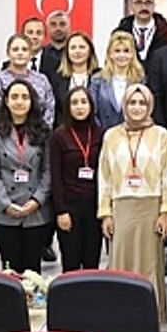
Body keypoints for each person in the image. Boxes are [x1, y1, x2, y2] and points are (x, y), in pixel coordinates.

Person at [98, 84, 167, 323]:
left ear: (150, 106)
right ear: (124, 106)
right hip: (121, 208)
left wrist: (166, 212)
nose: (137, 107)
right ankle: (121, 319)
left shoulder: (161, 134)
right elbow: (104, 177)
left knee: (149, 265)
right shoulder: (111, 136)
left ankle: (149, 321)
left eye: (142, 103)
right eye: (132, 102)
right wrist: (106, 212)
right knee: (121, 264)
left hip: (150, 207)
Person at [0, 79, 53, 273]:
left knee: (33, 271)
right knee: (10, 270)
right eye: (14, 97)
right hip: (4, 212)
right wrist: (5, 204)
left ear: (32, 101)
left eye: (24, 97)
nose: (19, 102)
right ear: (6, 101)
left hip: (36, 213)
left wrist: (36, 200)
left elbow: (48, 170)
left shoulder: (44, 131)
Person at [49, 86, 104, 271]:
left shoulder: (100, 133)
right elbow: (55, 176)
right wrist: (61, 210)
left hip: (94, 207)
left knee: (92, 262)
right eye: (74, 103)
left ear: (91, 105)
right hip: (69, 207)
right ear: (67, 107)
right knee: (71, 263)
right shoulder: (59, 136)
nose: (79, 107)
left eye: (83, 102)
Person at [0, 34, 57, 129]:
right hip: (7, 132)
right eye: (15, 49)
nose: (20, 53)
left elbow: (49, 108)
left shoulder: (42, 79)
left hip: (38, 132)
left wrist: (42, 131)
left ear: (31, 54)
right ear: (8, 53)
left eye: (24, 49)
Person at [91, 31, 146, 130]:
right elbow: (92, 112)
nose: (122, 55)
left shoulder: (140, 80)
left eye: (126, 51)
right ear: (110, 54)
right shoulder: (97, 80)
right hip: (103, 134)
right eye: (117, 51)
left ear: (132, 54)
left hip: (132, 134)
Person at [116, 0, 167, 69]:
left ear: (154, 5)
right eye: (138, 3)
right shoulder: (119, 34)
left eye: (148, 3)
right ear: (131, 6)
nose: (143, 7)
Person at [49, 31, 100, 118]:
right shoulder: (56, 78)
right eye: (73, 48)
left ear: (90, 51)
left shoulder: (100, 76)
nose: (77, 51)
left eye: (82, 47)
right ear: (67, 52)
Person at [37, 11, 72, 79]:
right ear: (47, 29)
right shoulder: (41, 54)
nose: (58, 28)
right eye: (53, 24)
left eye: (62, 24)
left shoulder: (75, 53)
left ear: (69, 28)